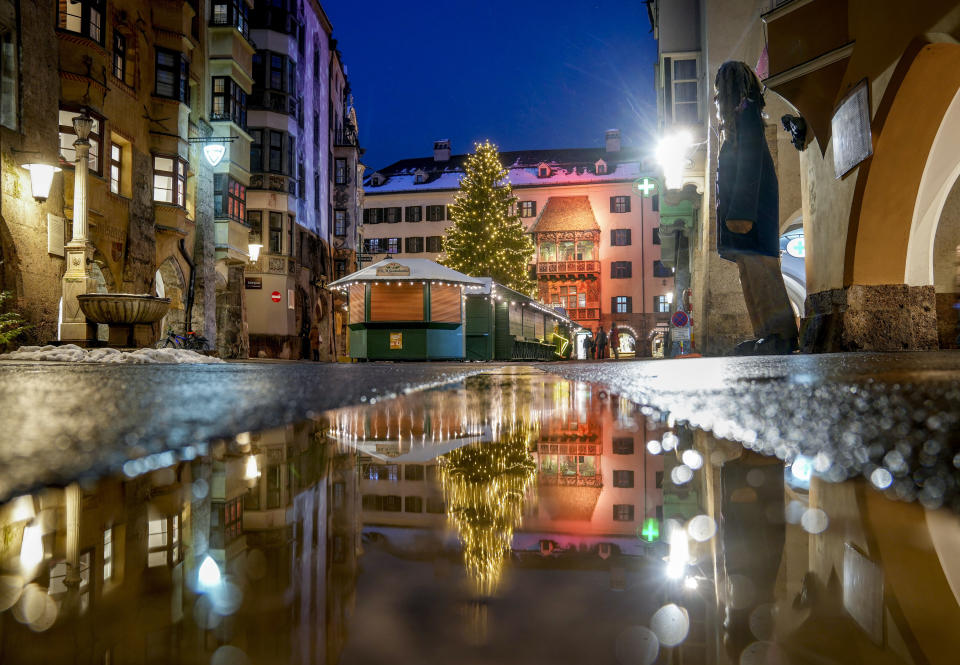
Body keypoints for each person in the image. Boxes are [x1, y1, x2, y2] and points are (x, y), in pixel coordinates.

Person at [715, 61, 799, 355]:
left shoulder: (746, 115)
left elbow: (749, 166)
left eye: (719, 90)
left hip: (749, 215)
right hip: (743, 215)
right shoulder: (740, 120)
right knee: (751, 278)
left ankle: (782, 334)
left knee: (763, 276)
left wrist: (741, 213)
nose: (717, 98)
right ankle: (765, 332)